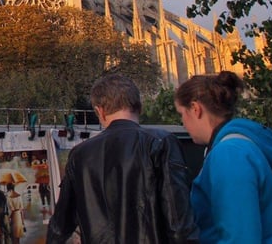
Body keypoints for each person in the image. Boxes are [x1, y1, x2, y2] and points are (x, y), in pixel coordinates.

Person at [47, 74, 198, 243]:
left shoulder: (80, 155)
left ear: (100, 111)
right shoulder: (161, 143)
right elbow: (178, 221)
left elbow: (60, 226)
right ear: (139, 106)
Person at [174, 71, 272, 243]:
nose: (183, 123)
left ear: (195, 109)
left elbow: (240, 236)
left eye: (182, 114)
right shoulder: (240, 146)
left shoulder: (230, 154)